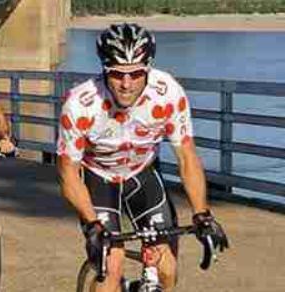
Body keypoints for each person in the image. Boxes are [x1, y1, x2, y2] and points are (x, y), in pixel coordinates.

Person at [56, 23, 229, 292]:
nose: (126, 84)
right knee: (111, 266)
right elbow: (68, 172)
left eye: (136, 73)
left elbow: (186, 157)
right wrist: (92, 225)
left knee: (166, 267)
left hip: (142, 173)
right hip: (99, 177)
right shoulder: (80, 104)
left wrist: (202, 214)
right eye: (116, 74)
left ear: (148, 68)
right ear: (104, 69)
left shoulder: (168, 93)